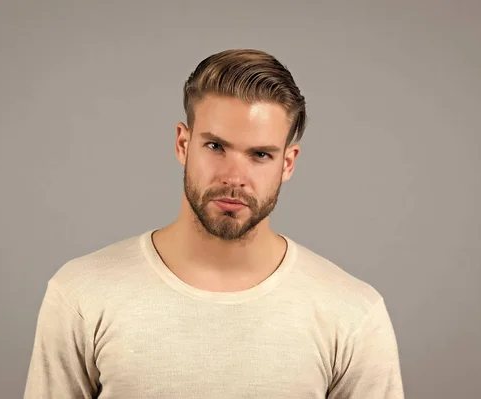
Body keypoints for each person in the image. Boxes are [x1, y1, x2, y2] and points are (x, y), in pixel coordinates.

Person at [24, 48, 405, 398]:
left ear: (287, 163)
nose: (234, 176)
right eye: (215, 146)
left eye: (260, 154)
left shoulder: (352, 314)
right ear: (182, 143)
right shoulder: (81, 295)